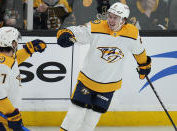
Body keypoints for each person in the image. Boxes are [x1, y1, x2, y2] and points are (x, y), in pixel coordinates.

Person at [57, 2, 151, 131]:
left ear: (123, 20)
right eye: (109, 16)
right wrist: (66, 34)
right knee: (75, 114)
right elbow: (79, 31)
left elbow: (139, 51)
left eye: (115, 18)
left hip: (109, 85)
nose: (111, 20)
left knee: (91, 120)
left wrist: (144, 65)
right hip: (87, 81)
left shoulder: (132, 33)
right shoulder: (97, 27)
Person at [0, 26, 47, 130]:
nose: (17, 43)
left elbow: (14, 60)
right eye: (16, 41)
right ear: (13, 43)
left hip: (3, 109)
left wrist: (29, 50)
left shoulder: (1, 55)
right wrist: (13, 116)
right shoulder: (1, 66)